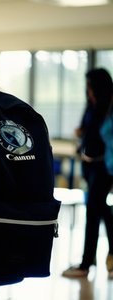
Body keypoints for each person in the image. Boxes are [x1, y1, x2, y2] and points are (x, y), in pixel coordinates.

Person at [62, 68, 113, 278]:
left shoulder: (109, 107)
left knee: (94, 210)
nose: (88, 90)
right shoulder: (91, 106)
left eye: (91, 86)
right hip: (89, 165)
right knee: (101, 210)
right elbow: (88, 131)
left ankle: (85, 264)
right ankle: (101, 258)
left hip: (104, 167)